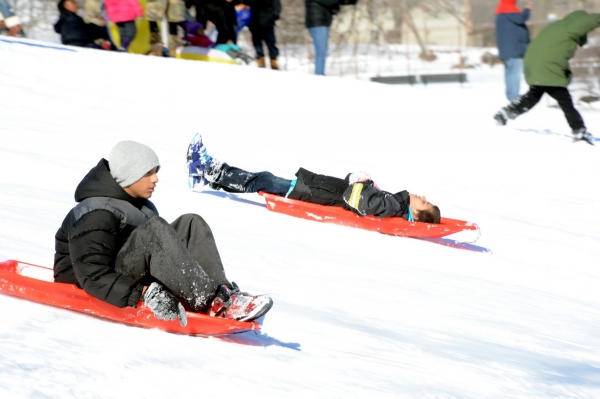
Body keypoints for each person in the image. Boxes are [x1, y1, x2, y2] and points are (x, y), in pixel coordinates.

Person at [54, 141, 273, 325]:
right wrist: (143, 295)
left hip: (122, 272)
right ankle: (211, 301)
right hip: (89, 282)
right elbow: (92, 274)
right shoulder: (95, 211)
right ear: (129, 174)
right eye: (148, 173)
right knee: (155, 229)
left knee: (190, 223)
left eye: (155, 172)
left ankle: (222, 294)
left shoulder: (137, 206)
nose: (155, 179)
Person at [186, 134, 441, 223]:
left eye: (425, 204)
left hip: (315, 194)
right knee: (263, 180)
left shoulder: (394, 206)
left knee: (263, 180)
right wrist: (361, 182)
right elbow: (356, 193)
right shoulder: (393, 202)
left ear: (417, 215)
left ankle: (210, 169)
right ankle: (207, 177)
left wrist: (361, 183)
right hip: (318, 189)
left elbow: (355, 199)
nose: (423, 198)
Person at [494, 10, 600, 145]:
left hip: (534, 64)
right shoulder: (572, 26)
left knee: (533, 95)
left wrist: (564, 74)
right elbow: (590, 21)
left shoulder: (558, 27)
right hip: (547, 67)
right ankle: (579, 130)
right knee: (565, 101)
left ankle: (506, 113)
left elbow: (556, 55)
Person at [495, 0, 531, 101]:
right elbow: (521, 18)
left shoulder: (501, 9)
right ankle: (514, 97)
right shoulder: (508, 8)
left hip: (507, 49)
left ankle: (511, 95)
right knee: (514, 73)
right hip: (514, 49)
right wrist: (527, 9)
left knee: (510, 72)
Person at [305, 0, 338, 76]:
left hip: (321, 21)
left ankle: (320, 74)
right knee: (321, 51)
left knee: (322, 50)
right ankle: (319, 75)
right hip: (317, 22)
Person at [245, 0, 281, 69]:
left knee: (271, 42)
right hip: (254, 20)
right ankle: (260, 60)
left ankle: (273, 60)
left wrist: (274, 15)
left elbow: (276, 4)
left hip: (268, 20)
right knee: (257, 42)